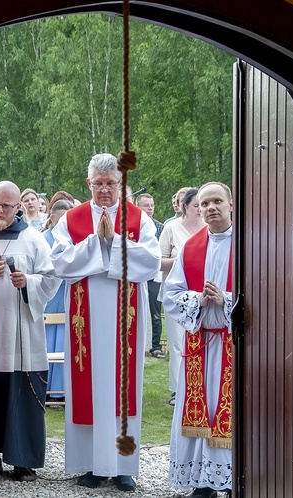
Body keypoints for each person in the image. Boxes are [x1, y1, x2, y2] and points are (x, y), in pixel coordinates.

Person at [50, 153, 161, 492]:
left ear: (120, 183)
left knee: (122, 389)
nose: (105, 191)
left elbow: (152, 262)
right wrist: (94, 242)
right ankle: (91, 465)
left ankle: (123, 465)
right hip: (85, 320)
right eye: (98, 184)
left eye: (111, 184)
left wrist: (114, 242)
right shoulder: (71, 219)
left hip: (122, 320)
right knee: (89, 386)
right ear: (89, 184)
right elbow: (60, 263)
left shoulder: (138, 219)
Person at [0, 181, 61, 484]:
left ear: (18, 208)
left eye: (6, 206)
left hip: (22, 330)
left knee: (19, 394)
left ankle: (22, 461)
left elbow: (50, 278)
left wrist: (28, 282)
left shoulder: (33, 238)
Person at [163, 181, 233, 498]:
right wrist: (200, 301)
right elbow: (170, 296)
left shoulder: (250, 243)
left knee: (229, 410)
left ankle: (234, 477)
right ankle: (203, 482)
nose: (210, 208)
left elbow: (268, 294)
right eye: (204, 204)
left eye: (217, 201)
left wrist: (226, 299)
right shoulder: (191, 247)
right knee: (202, 409)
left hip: (235, 345)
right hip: (202, 343)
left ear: (231, 205)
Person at [158, 187, 205, 406]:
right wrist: (183, 260)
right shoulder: (171, 228)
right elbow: (158, 260)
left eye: (202, 205)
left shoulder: (209, 228)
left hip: (203, 293)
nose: (200, 210)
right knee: (178, 342)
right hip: (177, 293)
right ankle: (178, 390)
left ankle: (202, 385)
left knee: (203, 339)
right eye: (196, 205)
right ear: (185, 207)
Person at [42, 199, 73, 404]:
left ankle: (64, 389)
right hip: (50, 294)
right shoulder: (44, 239)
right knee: (48, 339)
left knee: (65, 340)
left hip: (68, 293)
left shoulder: (75, 238)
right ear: (52, 219)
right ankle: (47, 387)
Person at [136, 193, 165, 358]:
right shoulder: (133, 224)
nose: (150, 208)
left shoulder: (160, 228)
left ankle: (156, 345)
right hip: (136, 274)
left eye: (152, 205)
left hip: (154, 274)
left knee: (155, 310)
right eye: (146, 205)